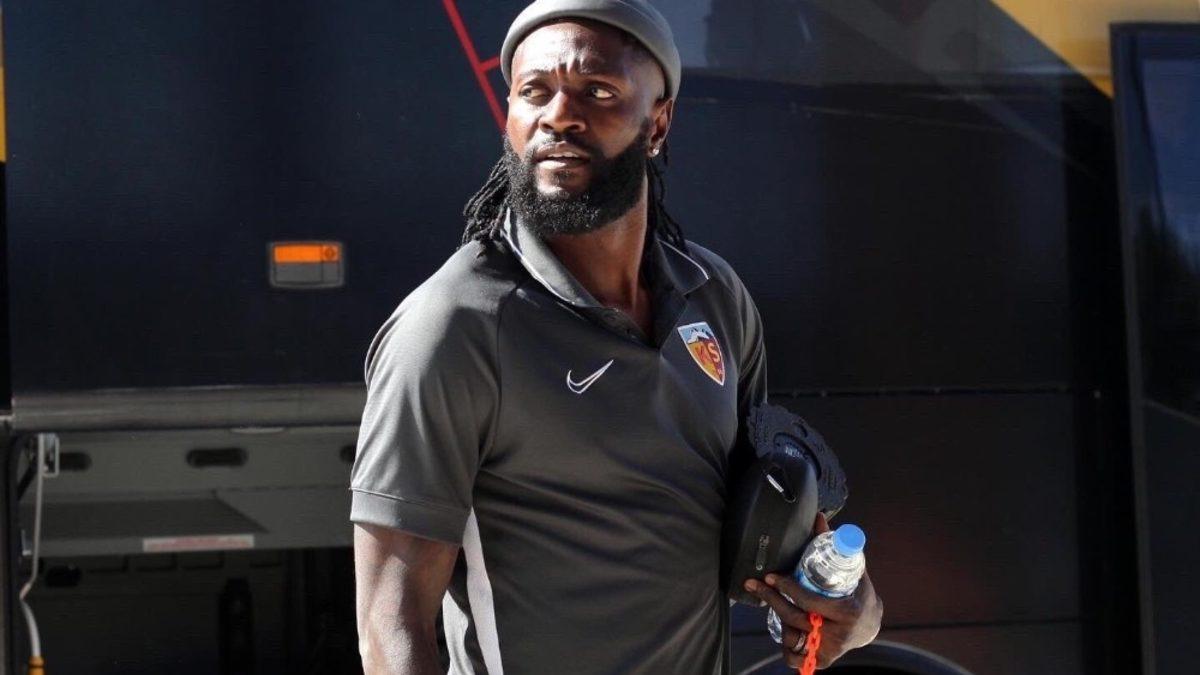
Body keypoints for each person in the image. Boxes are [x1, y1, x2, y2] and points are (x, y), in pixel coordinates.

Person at [350, 1, 882, 673]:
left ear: (658, 123)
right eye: (534, 91)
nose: (559, 116)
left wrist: (852, 609)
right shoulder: (457, 326)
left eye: (597, 92)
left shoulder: (714, 298)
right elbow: (389, 626)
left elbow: (767, 537)